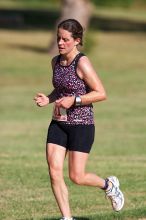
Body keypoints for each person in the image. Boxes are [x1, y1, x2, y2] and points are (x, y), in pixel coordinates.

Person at [34, 19, 124, 220]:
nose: (60, 43)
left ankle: (109, 185)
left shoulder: (82, 63)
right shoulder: (55, 61)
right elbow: (61, 89)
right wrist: (49, 98)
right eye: (58, 38)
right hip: (59, 123)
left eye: (65, 39)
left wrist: (74, 100)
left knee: (77, 176)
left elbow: (101, 93)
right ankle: (67, 218)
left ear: (77, 40)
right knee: (54, 171)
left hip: (82, 125)